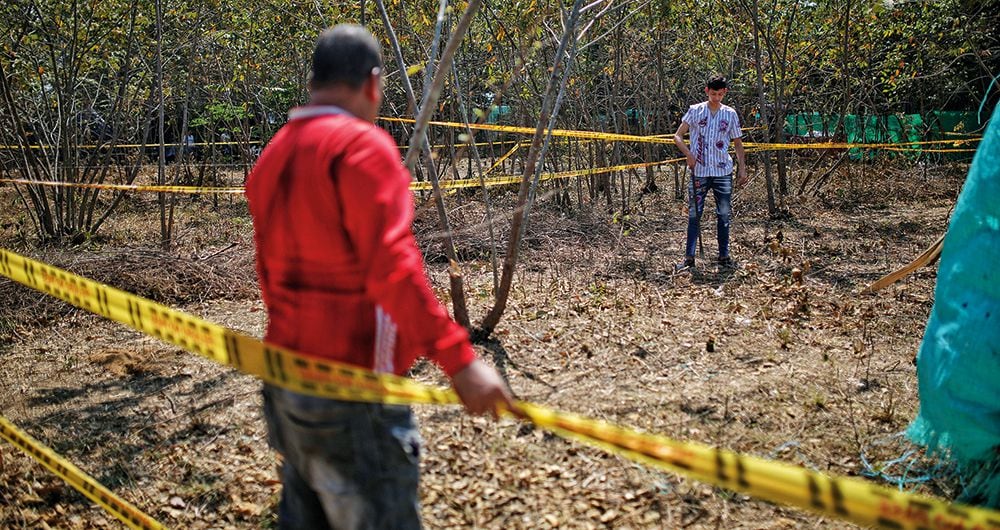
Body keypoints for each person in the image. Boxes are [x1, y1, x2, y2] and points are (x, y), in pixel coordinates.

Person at [245, 24, 515, 529]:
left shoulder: (274, 154)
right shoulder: (362, 150)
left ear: (313, 82)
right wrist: (459, 360)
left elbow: (268, 275)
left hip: (285, 383)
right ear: (373, 85)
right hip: (354, 394)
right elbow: (392, 266)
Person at [672, 75, 747, 271]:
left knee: (723, 213)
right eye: (714, 93)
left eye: (720, 94)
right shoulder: (695, 111)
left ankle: (723, 256)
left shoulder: (730, 114)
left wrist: (743, 168)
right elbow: (678, 136)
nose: (717, 97)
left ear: (725, 93)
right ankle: (689, 257)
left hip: (723, 171)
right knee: (694, 214)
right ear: (707, 91)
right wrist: (688, 153)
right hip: (700, 171)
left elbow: (738, 143)